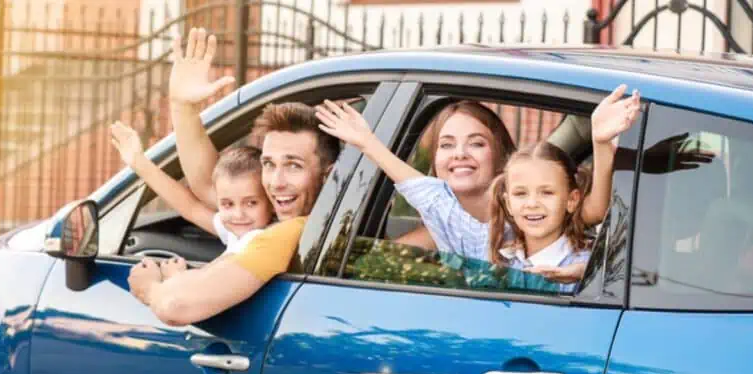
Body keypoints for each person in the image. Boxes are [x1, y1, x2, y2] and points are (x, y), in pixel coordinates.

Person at [315, 85, 641, 285]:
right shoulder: (485, 247)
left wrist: (600, 144)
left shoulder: (592, 258)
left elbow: (596, 209)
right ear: (507, 200)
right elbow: (431, 198)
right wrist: (367, 143)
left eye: (476, 143)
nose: (532, 203)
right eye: (521, 193)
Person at [126, 28, 341, 325]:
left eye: (293, 166)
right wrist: (181, 106)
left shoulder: (285, 233)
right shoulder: (278, 216)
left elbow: (175, 305)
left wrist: (150, 287)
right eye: (268, 164)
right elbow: (205, 185)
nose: (276, 182)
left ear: (327, 175)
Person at [110, 121, 273, 256]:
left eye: (251, 203)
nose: (238, 215)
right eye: (227, 204)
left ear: (271, 202)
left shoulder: (256, 239)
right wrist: (138, 162)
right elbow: (191, 208)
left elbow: (214, 275)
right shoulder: (237, 232)